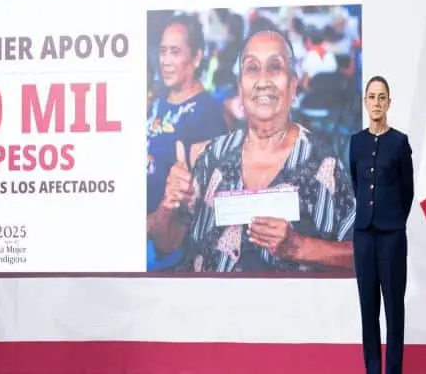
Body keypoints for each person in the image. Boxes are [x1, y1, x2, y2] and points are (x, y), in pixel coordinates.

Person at [148, 27, 356, 272]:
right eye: (252, 68)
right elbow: (166, 244)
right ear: (240, 88)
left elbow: (362, 253)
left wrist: (299, 247)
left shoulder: (321, 164)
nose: (263, 81)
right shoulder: (213, 156)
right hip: (207, 296)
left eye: (275, 67)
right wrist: (168, 204)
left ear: (293, 85)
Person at [145, 13, 228, 271]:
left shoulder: (207, 114)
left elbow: (198, 203)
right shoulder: (157, 99)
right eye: (163, 52)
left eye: (175, 52)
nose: (165, 61)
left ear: (196, 57)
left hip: (166, 246)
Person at [349, 75, 413, 374]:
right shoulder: (356, 142)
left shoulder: (399, 142)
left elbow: (407, 191)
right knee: (368, 309)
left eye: (381, 97)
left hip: (392, 237)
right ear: (365, 102)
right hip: (364, 236)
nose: (376, 103)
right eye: (372, 97)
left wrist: (393, 220)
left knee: (394, 309)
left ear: (389, 103)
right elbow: (356, 184)